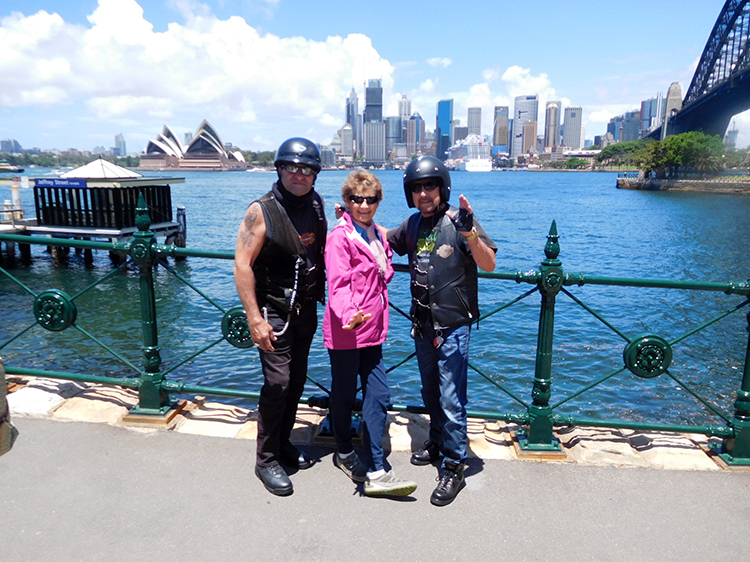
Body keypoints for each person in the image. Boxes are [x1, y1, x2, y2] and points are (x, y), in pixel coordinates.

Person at [387, 155, 497, 506]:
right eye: (417, 188)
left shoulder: (459, 221)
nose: (424, 193)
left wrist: (470, 234)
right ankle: (437, 441)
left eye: (429, 186)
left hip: (452, 328)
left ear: (442, 187)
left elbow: (489, 263)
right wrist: (352, 222)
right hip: (422, 326)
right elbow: (384, 240)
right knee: (431, 391)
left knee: (451, 399)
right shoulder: (413, 224)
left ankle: (454, 465)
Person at [234, 137, 327, 496]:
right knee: (278, 384)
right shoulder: (262, 210)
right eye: (292, 167)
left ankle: (283, 442)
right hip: (274, 311)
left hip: (305, 310)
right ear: (279, 169)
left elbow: (320, 251)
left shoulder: (316, 205)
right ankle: (266, 458)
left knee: (297, 381)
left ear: (315, 175)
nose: (299, 175)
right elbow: (242, 265)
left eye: (307, 169)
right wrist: (255, 319)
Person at [323, 169, 417, 498]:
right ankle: (346, 452)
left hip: (374, 330)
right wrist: (349, 315)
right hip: (347, 330)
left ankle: (376, 467)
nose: (363, 205)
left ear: (378, 201)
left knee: (379, 395)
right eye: (355, 199)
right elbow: (337, 284)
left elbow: (385, 267)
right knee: (345, 394)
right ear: (347, 200)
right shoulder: (339, 237)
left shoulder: (375, 233)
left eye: (370, 199)